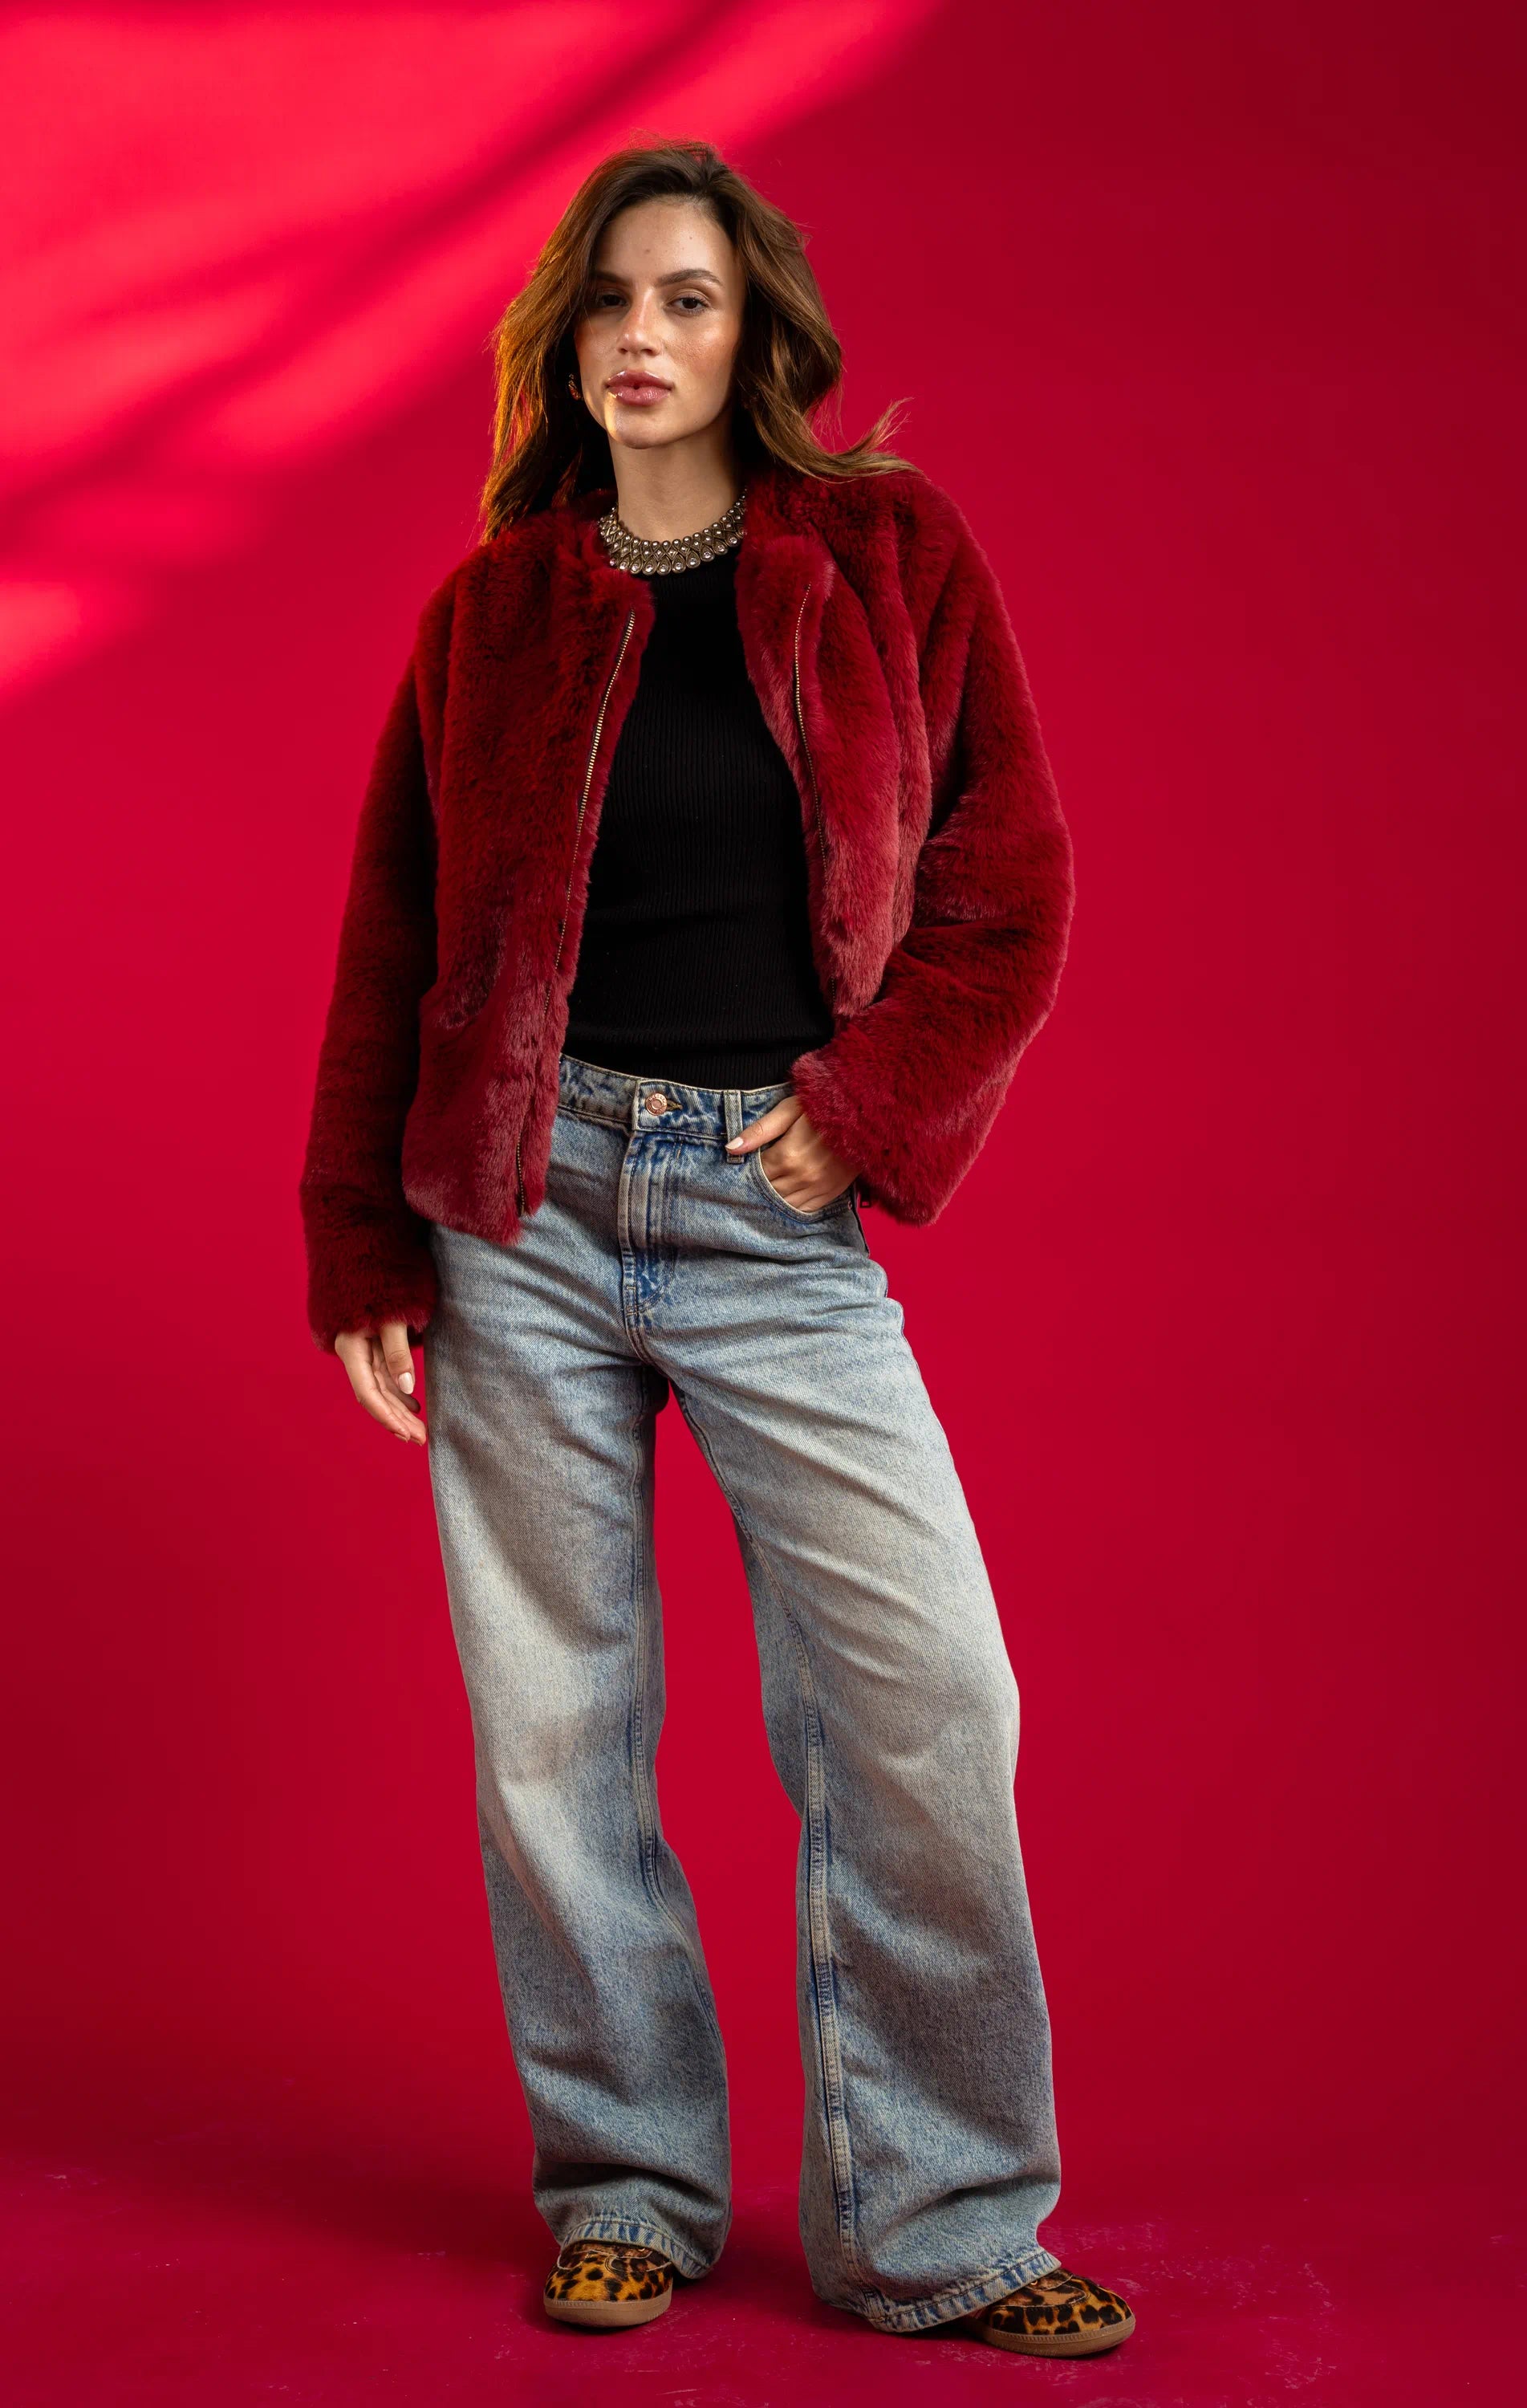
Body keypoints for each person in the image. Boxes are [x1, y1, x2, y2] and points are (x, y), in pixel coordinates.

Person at [298, 139, 1135, 2363]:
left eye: (685, 298)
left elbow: (1012, 880)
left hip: (773, 1220)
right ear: (565, 349)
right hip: (525, 1215)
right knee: (556, 1734)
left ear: (757, 328)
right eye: (608, 306)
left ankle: (941, 2221)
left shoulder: (885, 554)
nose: (644, 338)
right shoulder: (490, 611)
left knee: (928, 1703)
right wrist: (365, 1240)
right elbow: (400, 941)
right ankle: (626, 2188)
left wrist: (856, 1117)